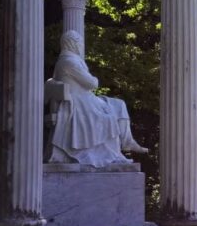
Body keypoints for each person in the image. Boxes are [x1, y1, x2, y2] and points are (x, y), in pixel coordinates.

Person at [49, 31, 148, 166]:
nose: (81, 46)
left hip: (86, 99)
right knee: (109, 116)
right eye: (79, 43)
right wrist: (93, 79)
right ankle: (116, 150)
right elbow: (92, 83)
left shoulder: (68, 61)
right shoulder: (69, 62)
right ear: (72, 44)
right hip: (81, 103)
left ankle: (127, 141)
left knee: (119, 104)